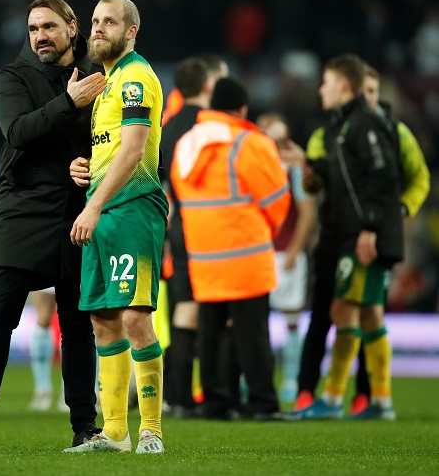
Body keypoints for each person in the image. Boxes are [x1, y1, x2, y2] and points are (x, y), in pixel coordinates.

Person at [0, 0, 104, 452]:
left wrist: (92, 164)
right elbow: (17, 132)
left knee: (76, 326)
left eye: (49, 27)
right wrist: (69, 101)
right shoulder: (13, 77)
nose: (40, 37)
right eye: (34, 29)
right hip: (22, 211)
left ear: (72, 28)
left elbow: (111, 140)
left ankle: (83, 428)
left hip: (76, 212)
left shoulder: (102, 77)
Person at [287, 61, 430, 415]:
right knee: (364, 314)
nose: (321, 89)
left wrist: (373, 226)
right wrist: (309, 164)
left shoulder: (371, 125)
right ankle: (377, 400)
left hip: (365, 234)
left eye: (326, 82)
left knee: (347, 311)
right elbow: (343, 174)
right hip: (343, 235)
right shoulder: (340, 127)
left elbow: (384, 180)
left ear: (344, 88)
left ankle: (337, 398)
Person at [64, 0, 167, 455]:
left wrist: (93, 205)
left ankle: (151, 430)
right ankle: (114, 433)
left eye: (110, 22)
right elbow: (112, 149)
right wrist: (83, 167)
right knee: (104, 321)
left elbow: (133, 150)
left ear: (131, 32)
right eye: (94, 21)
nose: (99, 28)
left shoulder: (135, 78)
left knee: (134, 317)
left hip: (131, 209)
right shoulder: (106, 83)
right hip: (102, 209)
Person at [170, 77, 290, 422]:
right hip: (246, 255)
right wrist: (265, 228)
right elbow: (277, 199)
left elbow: (180, 194)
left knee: (210, 331)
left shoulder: (188, 143)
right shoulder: (249, 142)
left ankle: (215, 402)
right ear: (242, 108)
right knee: (251, 332)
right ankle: (262, 403)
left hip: (203, 257)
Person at [160, 55, 228, 418]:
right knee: (214, 312)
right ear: (207, 85)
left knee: (182, 309)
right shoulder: (211, 127)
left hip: (174, 231)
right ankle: (216, 393)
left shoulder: (167, 128)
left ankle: (177, 395)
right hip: (210, 230)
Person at [257, 113, 316, 403]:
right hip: (262, 254)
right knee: (257, 321)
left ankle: (291, 379)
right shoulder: (258, 168)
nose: (280, 146)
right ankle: (256, 377)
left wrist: (294, 249)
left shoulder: (294, 171)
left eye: (283, 140)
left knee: (291, 318)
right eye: (274, 140)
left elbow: (307, 212)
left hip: (286, 254)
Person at [28, 287, 67, 412]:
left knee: (72, 318)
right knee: (43, 318)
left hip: (74, 268)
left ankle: (70, 391)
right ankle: (42, 389)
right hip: (44, 268)